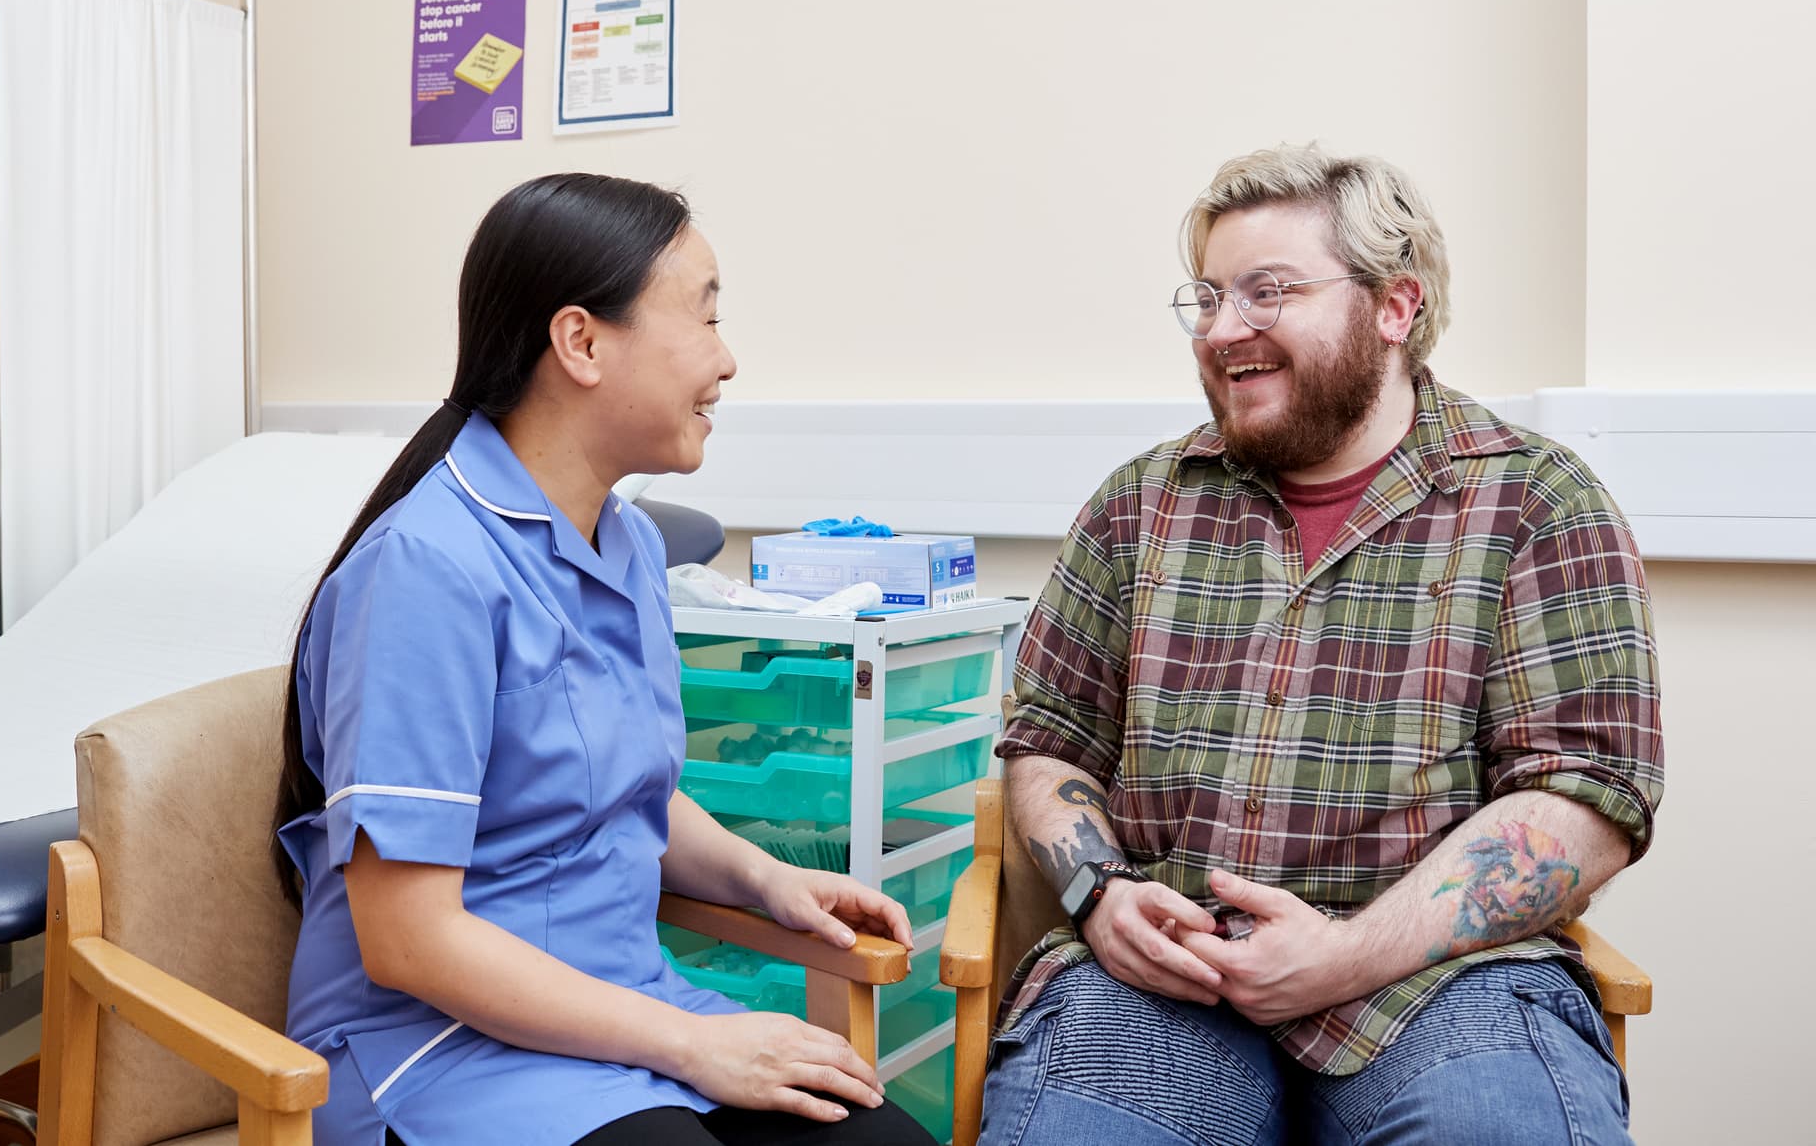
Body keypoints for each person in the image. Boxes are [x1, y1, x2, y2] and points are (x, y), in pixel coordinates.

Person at [981, 145, 1665, 1145]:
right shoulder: (1137, 504)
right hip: (1167, 972)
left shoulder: (1534, 500)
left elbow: (1587, 795)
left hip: (1439, 983)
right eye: (1207, 297)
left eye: (1266, 292)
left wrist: (1349, 954)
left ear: (1392, 307)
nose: (1221, 330)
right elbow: (1050, 738)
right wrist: (1098, 892)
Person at [272, 174, 934, 1146]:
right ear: (580, 342)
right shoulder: (425, 571)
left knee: (879, 1139)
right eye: (703, 318)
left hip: (618, 1021)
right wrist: (690, 1046)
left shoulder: (622, 543)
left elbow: (620, 784)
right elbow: (409, 940)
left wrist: (763, 878)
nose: (727, 359)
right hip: (436, 1056)